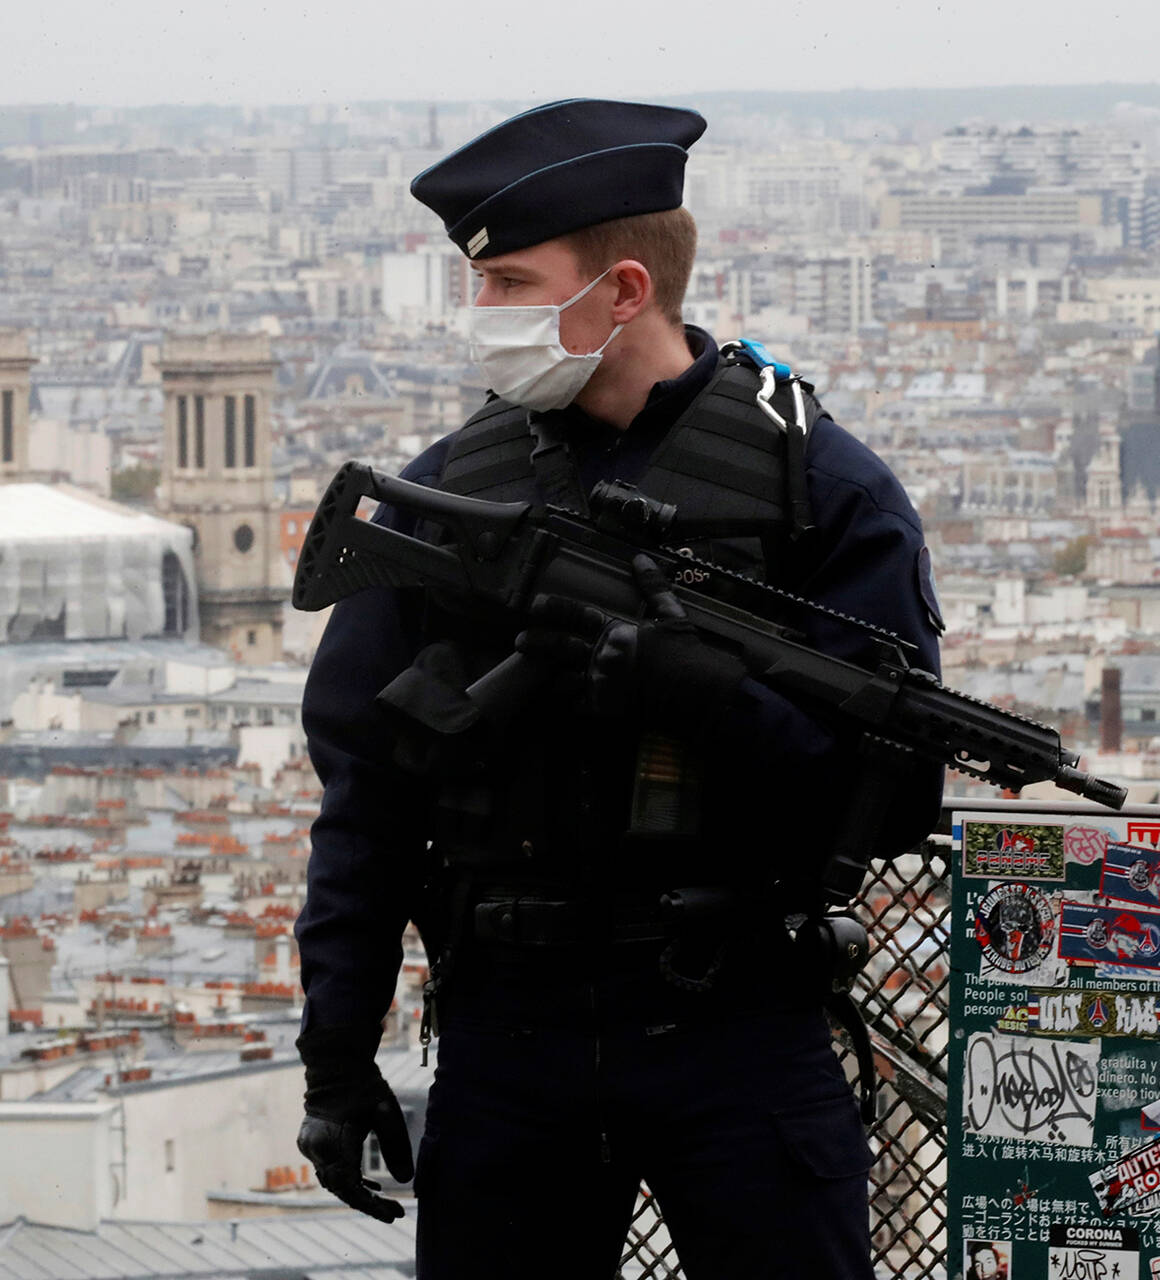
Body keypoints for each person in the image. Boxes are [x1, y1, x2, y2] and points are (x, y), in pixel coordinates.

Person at [294, 98, 945, 1280]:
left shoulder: (815, 492)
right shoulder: (455, 494)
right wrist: (334, 1057)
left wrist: (712, 698)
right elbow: (368, 792)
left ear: (624, 290)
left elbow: (892, 792)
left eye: (509, 283)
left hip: (737, 1017)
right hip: (510, 1028)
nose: (483, 315)